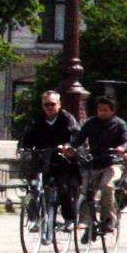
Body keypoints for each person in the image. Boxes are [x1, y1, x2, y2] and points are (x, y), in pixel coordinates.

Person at [17, 89, 83, 223]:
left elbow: (76, 135)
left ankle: (69, 218)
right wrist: (22, 148)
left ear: (59, 104)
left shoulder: (67, 118)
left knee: (62, 186)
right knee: (33, 184)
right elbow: (26, 135)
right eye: (46, 104)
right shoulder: (37, 119)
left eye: (52, 104)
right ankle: (34, 216)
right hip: (42, 157)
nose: (49, 107)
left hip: (62, 160)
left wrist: (68, 146)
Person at [76, 94, 127, 237]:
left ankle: (109, 220)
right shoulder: (91, 123)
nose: (102, 113)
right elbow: (78, 139)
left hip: (112, 163)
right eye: (100, 110)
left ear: (113, 111)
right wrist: (70, 148)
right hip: (94, 163)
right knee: (86, 190)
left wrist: (122, 148)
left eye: (105, 110)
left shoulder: (120, 124)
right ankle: (85, 221)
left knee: (107, 186)